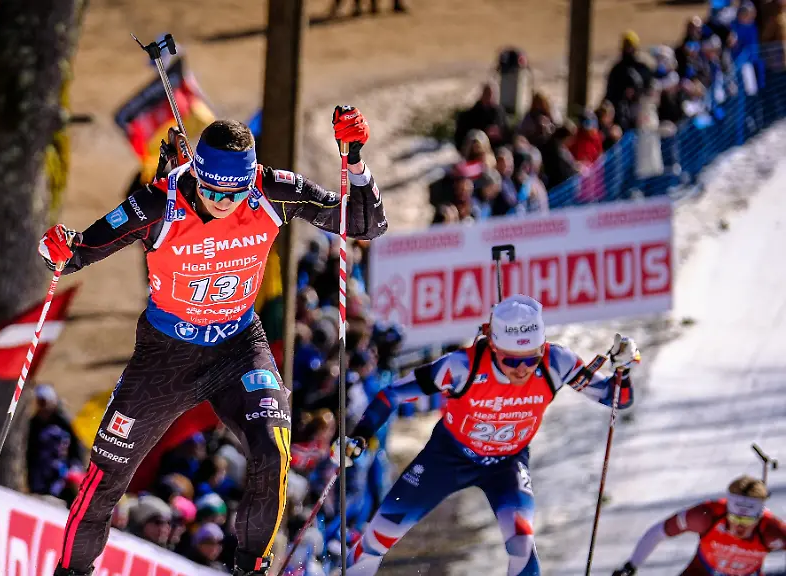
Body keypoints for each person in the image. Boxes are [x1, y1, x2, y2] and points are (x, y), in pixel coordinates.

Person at [42, 106, 386, 576]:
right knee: (105, 478)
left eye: (235, 192)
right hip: (166, 356)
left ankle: (251, 568)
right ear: (196, 175)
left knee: (272, 450)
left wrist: (355, 160)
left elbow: (364, 224)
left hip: (238, 347)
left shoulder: (271, 191)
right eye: (211, 190)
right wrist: (58, 247)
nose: (224, 202)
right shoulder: (158, 204)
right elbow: (77, 252)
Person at [337, 294, 641, 576]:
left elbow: (617, 398)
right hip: (447, 458)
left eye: (531, 359)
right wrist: (360, 435)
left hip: (506, 464)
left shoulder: (556, 362)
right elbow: (392, 393)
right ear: (493, 347)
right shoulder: (462, 367)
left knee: (522, 542)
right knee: (378, 538)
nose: (522, 370)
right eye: (512, 360)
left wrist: (623, 369)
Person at [612, 475, 786, 575]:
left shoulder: (772, 530)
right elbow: (659, 531)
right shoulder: (705, 516)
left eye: (748, 520)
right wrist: (631, 565)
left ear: (760, 516)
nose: (740, 526)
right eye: (735, 518)